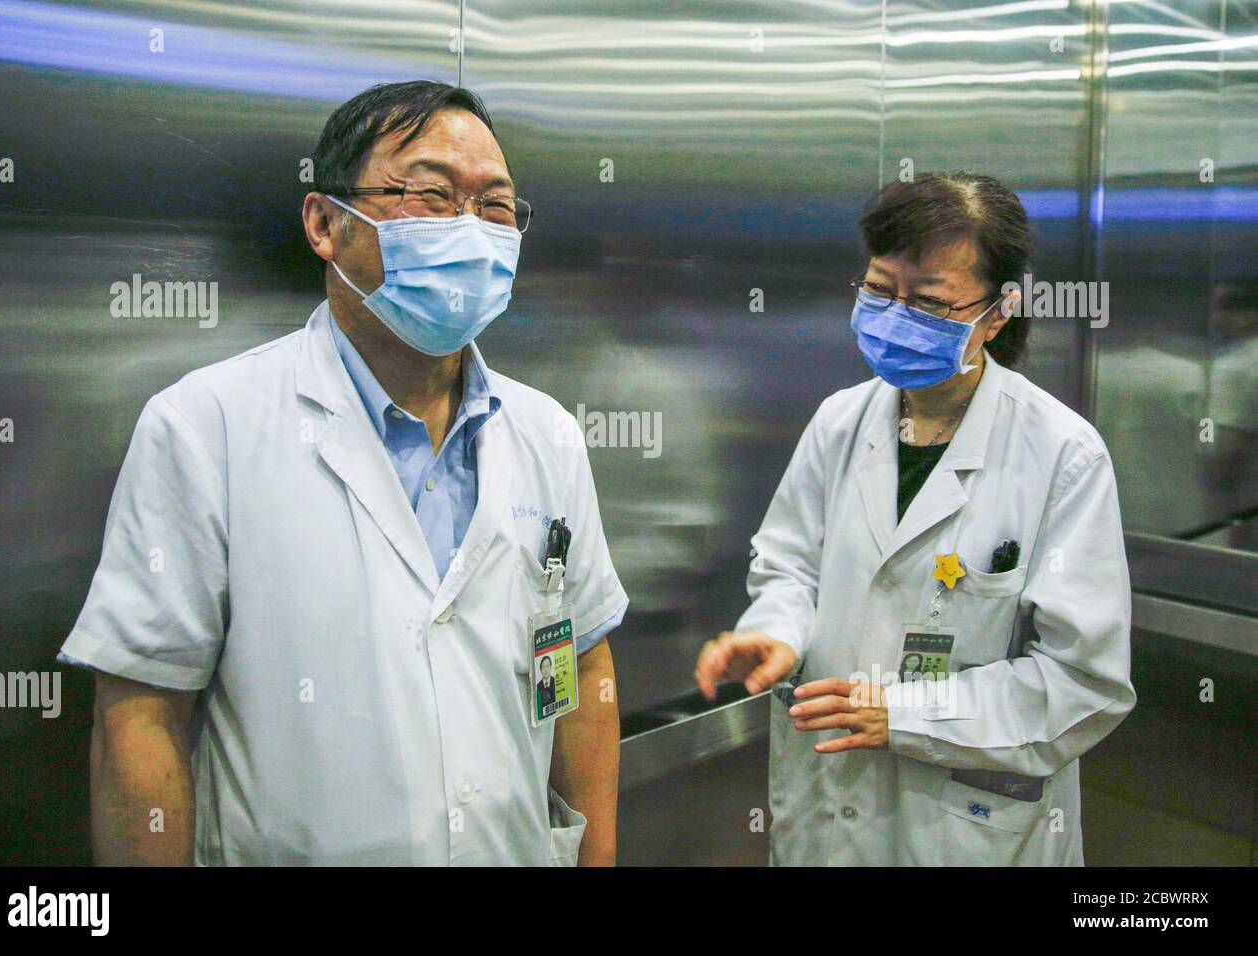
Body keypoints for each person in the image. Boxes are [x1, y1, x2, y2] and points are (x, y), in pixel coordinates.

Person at [59, 81, 628, 866]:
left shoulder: (548, 435)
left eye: (496, 207)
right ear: (325, 223)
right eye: (430, 194)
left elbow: (582, 661)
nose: (470, 228)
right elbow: (142, 712)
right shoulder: (205, 427)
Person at [695, 171, 1135, 866]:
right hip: (826, 806)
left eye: (929, 302)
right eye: (878, 290)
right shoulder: (840, 421)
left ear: (997, 313)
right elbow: (789, 568)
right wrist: (776, 632)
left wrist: (904, 714)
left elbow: (1084, 682)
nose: (894, 317)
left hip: (968, 827)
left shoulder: (1062, 456)